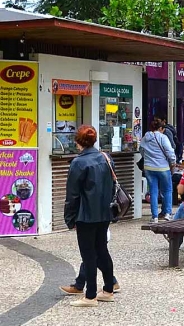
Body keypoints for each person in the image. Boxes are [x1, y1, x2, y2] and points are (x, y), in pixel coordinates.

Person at [63, 125, 116, 307]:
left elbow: (73, 194)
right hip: (105, 211)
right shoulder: (105, 157)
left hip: (85, 214)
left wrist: (69, 219)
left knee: (88, 255)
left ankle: (90, 295)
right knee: (102, 250)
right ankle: (108, 289)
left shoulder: (78, 163)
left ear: (78, 142)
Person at [60, 228, 120, 295]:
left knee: (91, 260)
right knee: (94, 260)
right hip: (96, 232)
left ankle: (79, 286)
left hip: (97, 233)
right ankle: (112, 282)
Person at [141, 120, 176, 223]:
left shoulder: (145, 138)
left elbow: (141, 150)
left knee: (153, 191)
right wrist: (173, 162)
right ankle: (167, 214)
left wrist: (148, 158)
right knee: (167, 190)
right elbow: (170, 152)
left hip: (149, 168)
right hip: (163, 167)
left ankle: (154, 216)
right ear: (160, 128)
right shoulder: (163, 137)